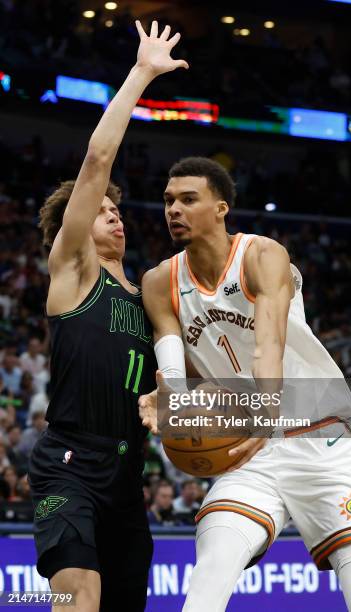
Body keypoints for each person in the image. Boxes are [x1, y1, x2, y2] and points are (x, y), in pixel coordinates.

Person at [139, 157, 351, 612]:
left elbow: (268, 343)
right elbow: (171, 355)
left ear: (221, 208)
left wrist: (264, 413)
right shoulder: (160, 281)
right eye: (168, 201)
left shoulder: (262, 254)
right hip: (245, 448)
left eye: (188, 199)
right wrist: (172, 399)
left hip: (317, 432)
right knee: (211, 572)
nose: (173, 209)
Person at [28, 21, 188, 612]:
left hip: (128, 478)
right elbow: (98, 158)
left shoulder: (150, 296)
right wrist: (142, 73)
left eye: (120, 210)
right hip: (70, 464)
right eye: (103, 210)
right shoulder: (73, 271)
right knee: (79, 599)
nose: (115, 216)